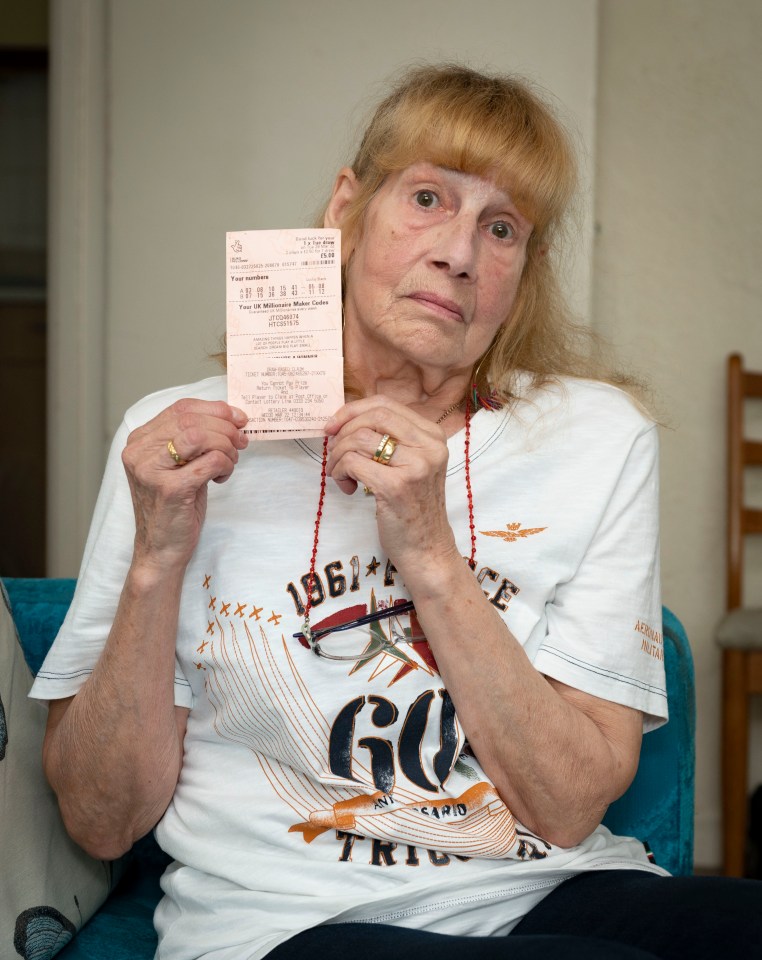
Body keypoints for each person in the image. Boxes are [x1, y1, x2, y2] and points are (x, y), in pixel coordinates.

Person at [31, 64, 760, 960]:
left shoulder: (601, 438)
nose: (459, 252)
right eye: (426, 198)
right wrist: (155, 562)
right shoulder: (171, 440)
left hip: (550, 890)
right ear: (347, 210)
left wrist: (428, 550)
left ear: (521, 275)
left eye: (501, 229)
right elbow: (103, 820)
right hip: (292, 922)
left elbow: (571, 807)